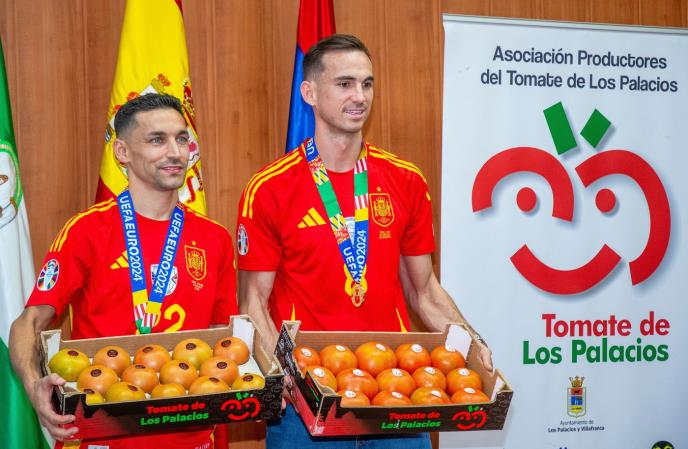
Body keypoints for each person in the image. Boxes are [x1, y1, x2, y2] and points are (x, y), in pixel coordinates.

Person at [236, 34, 492, 449]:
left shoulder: (406, 180)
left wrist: (472, 343)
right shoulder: (269, 188)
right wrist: (283, 375)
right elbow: (253, 303)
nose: (359, 96)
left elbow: (424, 290)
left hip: (396, 393)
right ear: (310, 93)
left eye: (367, 83)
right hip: (306, 401)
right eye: (345, 84)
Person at [9, 93, 237, 449]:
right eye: (157, 140)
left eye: (181, 139)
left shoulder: (215, 238)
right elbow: (28, 322)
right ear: (122, 152)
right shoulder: (86, 231)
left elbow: (222, 337)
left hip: (188, 436)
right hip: (103, 435)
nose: (176, 152)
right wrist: (34, 385)